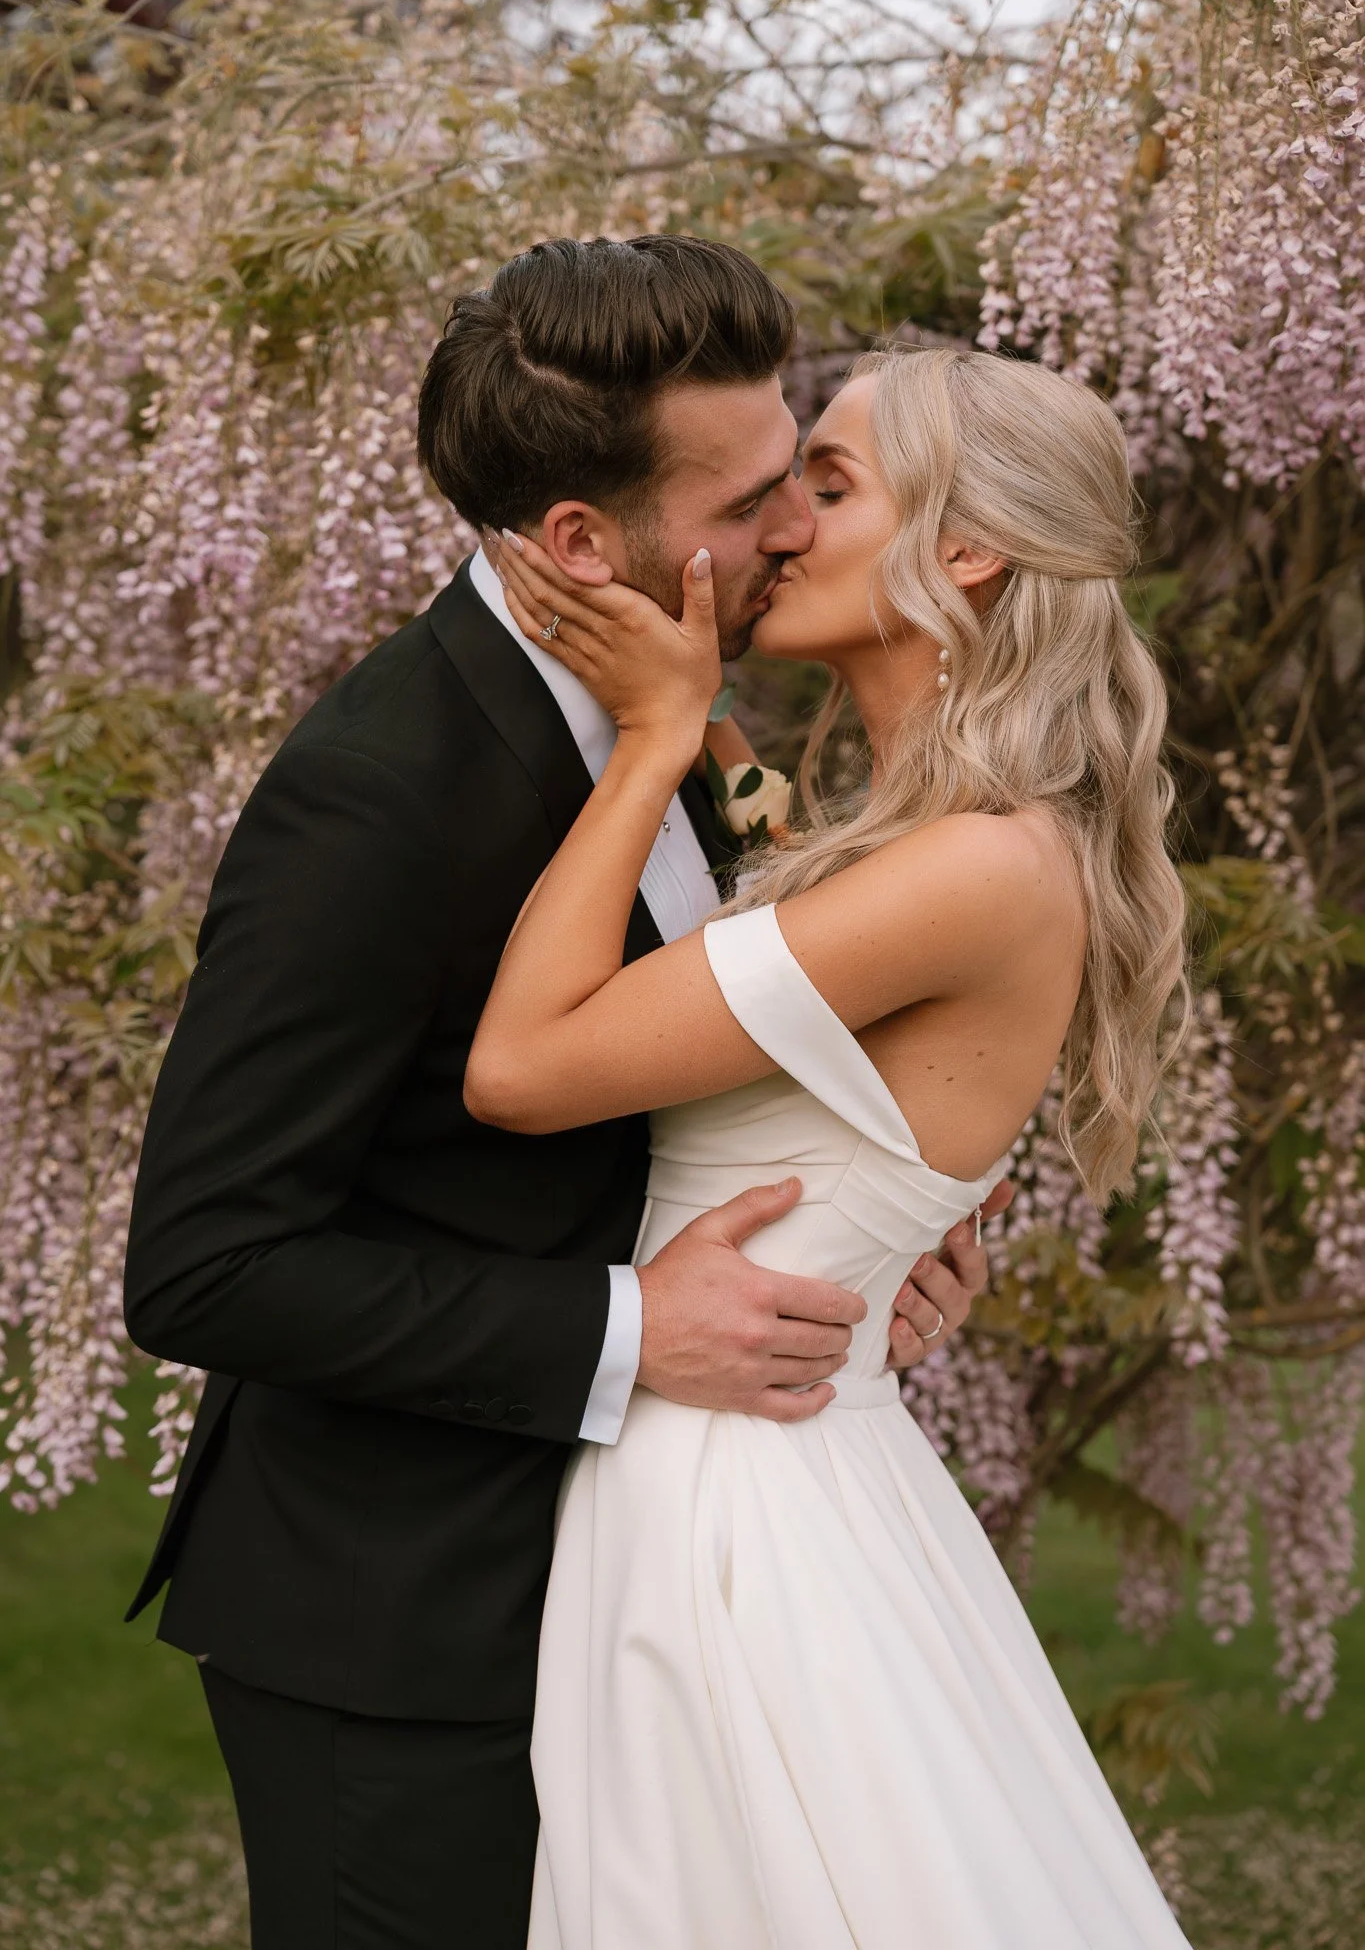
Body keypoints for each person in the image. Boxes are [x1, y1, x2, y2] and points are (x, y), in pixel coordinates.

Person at [120, 236, 1003, 1950]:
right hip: (404, 1636)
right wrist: (630, 1330)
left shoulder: (668, 714)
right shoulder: (378, 793)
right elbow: (207, 1261)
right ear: (584, 544)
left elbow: (692, 1061)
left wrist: (856, 1235)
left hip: (647, 1585)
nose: (798, 533)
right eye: (752, 500)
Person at [469, 343, 1193, 1948]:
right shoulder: (927, 838)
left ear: (968, 550)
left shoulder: (979, 866)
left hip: (746, 1509)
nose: (780, 523)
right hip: (735, 1457)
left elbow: (521, 1069)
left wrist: (657, 735)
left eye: (832, 483)